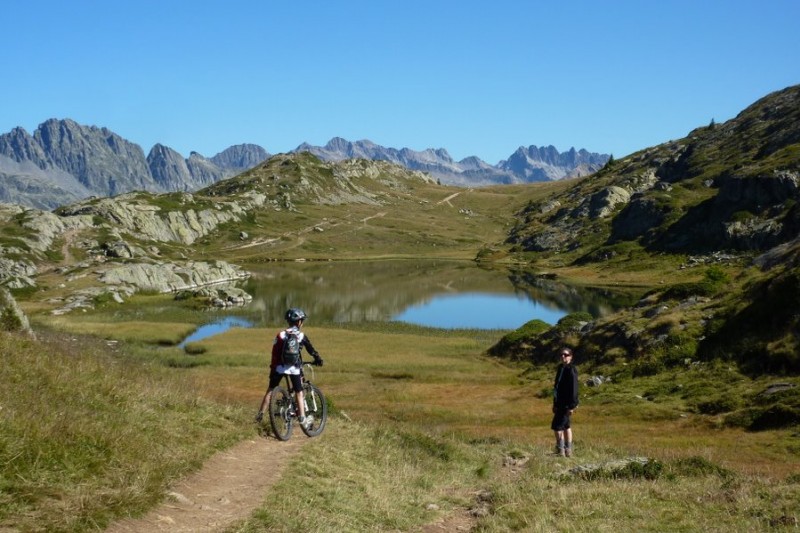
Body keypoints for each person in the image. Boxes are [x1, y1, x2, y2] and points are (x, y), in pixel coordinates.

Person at [256, 308, 323, 429]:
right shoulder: (301, 335)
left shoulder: (280, 335)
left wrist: (274, 367)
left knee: (270, 391)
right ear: (298, 322)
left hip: (279, 368)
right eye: (302, 321)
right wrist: (318, 359)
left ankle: (259, 416)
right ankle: (302, 419)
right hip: (294, 368)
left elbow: (275, 352)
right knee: (299, 392)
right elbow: (311, 350)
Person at [551, 346, 579, 457]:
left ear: (571, 357)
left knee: (557, 426)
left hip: (567, 404)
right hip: (559, 403)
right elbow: (556, 387)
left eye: (566, 355)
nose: (563, 356)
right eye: (561, 354)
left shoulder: (571, 369)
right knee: (566, 426)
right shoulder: (560, 368)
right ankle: (568, 450)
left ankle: (561, 450)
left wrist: (572, 406)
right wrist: (555, 403)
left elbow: (574, 388)